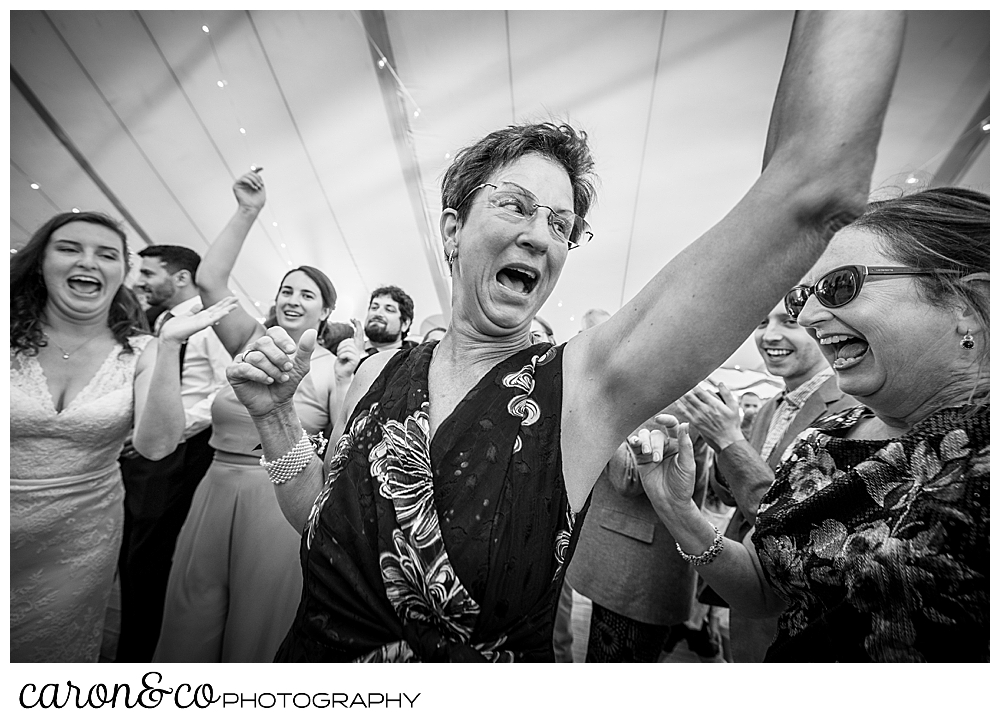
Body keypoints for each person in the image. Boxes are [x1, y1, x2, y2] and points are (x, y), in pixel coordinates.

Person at [228, 11, 905, 661]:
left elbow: (813, 187)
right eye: (516, 205)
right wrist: (276, 418)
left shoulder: (583, 386)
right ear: (452, 230)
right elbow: (324, 520)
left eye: (560, 223)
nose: (539, 235)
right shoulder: (378, 373)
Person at [633, 187, 989, 662]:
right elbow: (767, 587)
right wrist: (676, 506)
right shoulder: (823, 439)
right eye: (807, 295)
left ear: (968, 303)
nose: (810, 316)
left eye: (841, 285)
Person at [153, 171, 360, 662]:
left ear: (325, 312)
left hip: (276, 505)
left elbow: (337, 456)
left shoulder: (334, 372)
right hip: (213, 488)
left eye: (307, 295)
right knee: (190, 614)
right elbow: (209, 280)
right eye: (288, 289)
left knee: (256, 627)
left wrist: (350, 386)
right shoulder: (248, 344)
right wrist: (248, 211)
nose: (293, 299)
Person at [10, 211, 235, 662]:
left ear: (120, 272)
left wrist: (169, 346)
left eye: (106, 254)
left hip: (82, 537)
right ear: (40, 262)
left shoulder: (144, 348)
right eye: (70, 248)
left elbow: (156, 445)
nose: (89, 262)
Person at [684, 302, 858, 661]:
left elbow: (798, 521)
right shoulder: (769, 406)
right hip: (748, 595)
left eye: (789, 322)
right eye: (762, 321)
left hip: (794, 615)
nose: (769, 335)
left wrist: (728, 439)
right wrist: (721, 444)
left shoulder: (849, 408)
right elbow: (730, 495)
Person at [116, 244, 232, 662]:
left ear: (181, 277)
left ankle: (140, 657)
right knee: (131, 554)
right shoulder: (158, 320)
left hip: (179, 455)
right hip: (142, 452)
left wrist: (173, 429)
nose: (139, 281)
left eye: (148, 273)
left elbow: (225, 386)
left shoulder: (211, 321)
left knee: (148, 561)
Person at [566, 408, 713, 662]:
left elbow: (629, 476)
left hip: (636, 568)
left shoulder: (670, 394)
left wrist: (600, 412)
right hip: (631, 559)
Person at [362, 285, 417, 355]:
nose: (378, 313)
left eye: (389, 310)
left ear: (405, 324)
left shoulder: (414, 359)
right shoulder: (349, 351)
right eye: (374, 307)